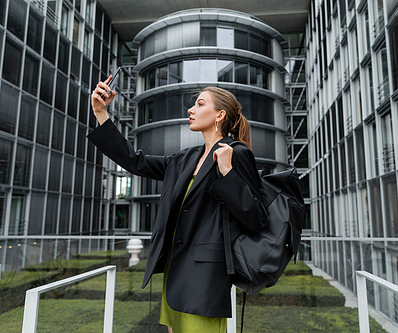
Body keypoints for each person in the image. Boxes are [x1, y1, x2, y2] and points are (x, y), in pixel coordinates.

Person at [88, 76, 267, 333]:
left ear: (219, 115)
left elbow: (256, 218)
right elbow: (133, 161)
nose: (191, 109)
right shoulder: (184, 158)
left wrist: (227, 172)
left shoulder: (235, 153)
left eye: (200, 104)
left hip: (205, 277)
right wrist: (101, 113)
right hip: (175, 271)